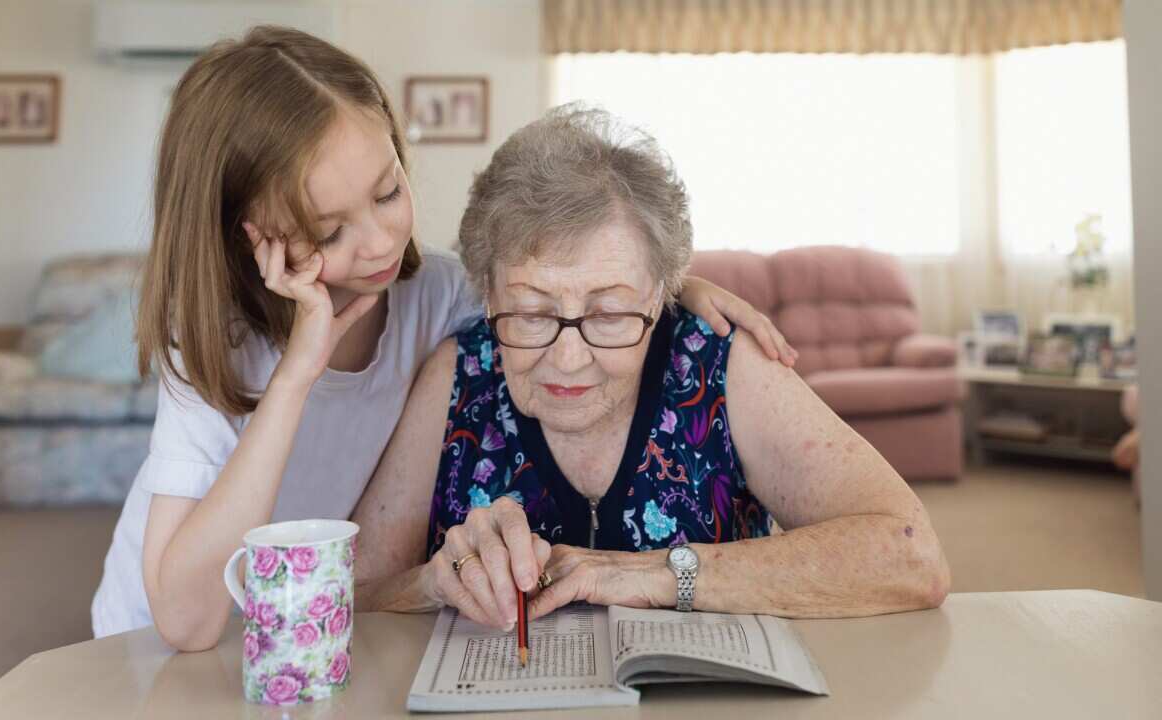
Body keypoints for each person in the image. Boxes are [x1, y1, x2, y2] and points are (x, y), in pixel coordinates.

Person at [90, 27, 796, 648]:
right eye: (331, 231)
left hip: (302, 626)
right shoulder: (209, 341)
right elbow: (185, 624)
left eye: (389, 191)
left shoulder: (433, 295)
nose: (379, 245)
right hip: (158, 640)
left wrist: (673, 285)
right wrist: (296, 374)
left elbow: (549, 286)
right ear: (249, 237)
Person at [352, 106, 950, 628]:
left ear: (660, 293)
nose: (568, 357)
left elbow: (912, 556)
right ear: (485, 292)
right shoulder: (458, 374)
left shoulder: (719, 363)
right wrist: (430, 585)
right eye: (531, 313)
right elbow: (353, 593)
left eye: (610, 313)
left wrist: (650, 575)